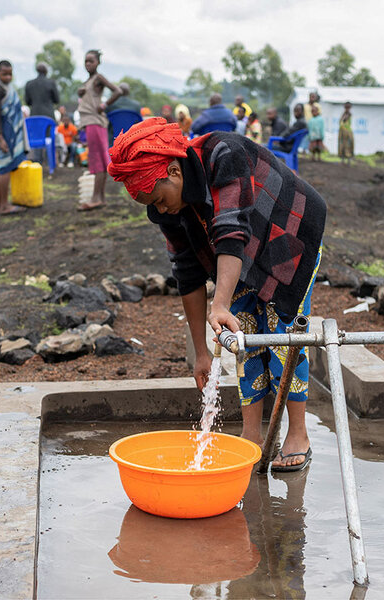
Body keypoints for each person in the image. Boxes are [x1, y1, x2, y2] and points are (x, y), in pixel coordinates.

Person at [107, 119, 326, 471]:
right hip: (234, 255)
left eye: (161, 200)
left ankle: (298, 434)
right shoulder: (163, 208)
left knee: (284, 336)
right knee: (241, 337)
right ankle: (251, 435)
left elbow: (230, 228)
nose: (161, 210)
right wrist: (200, 353)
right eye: (154, 206)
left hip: (288, 233)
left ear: (174, 171)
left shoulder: (225, 153)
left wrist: (219, 302)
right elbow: (187, 271)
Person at [77, 49, 121, 211]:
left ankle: (96, 198)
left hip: (95, 122)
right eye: (86, 61)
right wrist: (80, 92)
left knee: (97, 160)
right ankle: (99, 198)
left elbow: (118, 91)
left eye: (91, 61)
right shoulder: (89, 81)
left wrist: (104, 105)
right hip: (91, 122)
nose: (88, 64)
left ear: (98, 63)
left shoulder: (98, 78)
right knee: (99, 160)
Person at [0, 60, 27, 215]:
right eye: (4, 74)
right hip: (3, 131)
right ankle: (5, 205)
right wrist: (0, 138)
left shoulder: (7, 87)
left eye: (10, 74)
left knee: (2, 167)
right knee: (5, 167)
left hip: (8, 131)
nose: (7, 77)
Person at [24, 62, 60, 165]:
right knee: (49, 139)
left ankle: (37, 162)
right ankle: (50, 162)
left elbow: (27, 101)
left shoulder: (29, 84)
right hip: (48, 116)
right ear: (46, 71)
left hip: (34, 116)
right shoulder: (51, 83)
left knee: (36, 138)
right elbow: (56, 99)